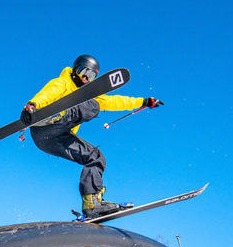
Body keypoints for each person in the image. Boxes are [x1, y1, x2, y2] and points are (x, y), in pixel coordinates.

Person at [19, 54, 162, 219]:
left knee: (96, 157)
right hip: (44, 127)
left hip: (54, 141)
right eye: (84, 72)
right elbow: (49, 93)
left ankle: (92, 205)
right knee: (91, 105)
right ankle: (53, 116)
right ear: (75, 70)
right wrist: (32, 106)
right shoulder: (64, 82)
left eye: (91, 76)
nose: (86, 78)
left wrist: (143, 102)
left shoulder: (89, 94)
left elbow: (116, 101)